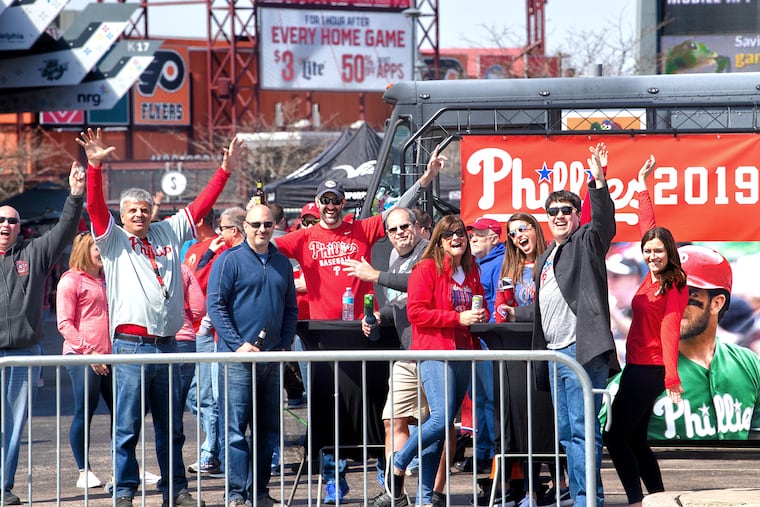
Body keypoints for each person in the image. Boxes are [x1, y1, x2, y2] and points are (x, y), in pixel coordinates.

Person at [79, 126, 243, 507]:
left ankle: (176, 489)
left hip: (169, 346)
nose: (139, 214)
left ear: (153, 211)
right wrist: (94, 169)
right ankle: (124, 491)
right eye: (132, 211)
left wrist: (225, 172)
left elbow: (200, 207)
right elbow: (94, 208)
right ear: (122, 216)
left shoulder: (167, 231)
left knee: (172, 428)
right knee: (127, 427)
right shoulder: (113, 239)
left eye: (144, 209)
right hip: (131, 348)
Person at [273, 146, 444, 503]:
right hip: (321, 336)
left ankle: (386, 473)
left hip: (362, 332)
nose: (332, 206)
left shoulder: (360, 229)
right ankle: (334, 477)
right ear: (317, 205)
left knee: (375, 407)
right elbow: (265, 244)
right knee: (326, 409)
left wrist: (425, 180)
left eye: (337, 201)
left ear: (343, 205)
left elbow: (396, 208)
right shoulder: (303, 237)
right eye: (326, 201)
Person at [511, 142, 618, 507]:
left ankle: (591, 500)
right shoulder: (544, 257)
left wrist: (599, 181)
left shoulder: (586, 240)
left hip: (582, 350)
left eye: (566, 210)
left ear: (576, 215)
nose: (559, 215)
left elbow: (603, 221)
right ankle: (581, 497)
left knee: (583, 430)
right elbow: (543, 308)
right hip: (555, 355)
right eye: (552, 211)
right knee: (567, 433)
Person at [603, 155, 688, 507]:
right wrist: (641, 185)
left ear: (670, 253)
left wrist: (671, 380)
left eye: (659, 251)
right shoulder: (649, 278)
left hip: (650, 370)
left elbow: (670, 333)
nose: (653, 255)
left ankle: (637, 500)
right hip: (636, 367)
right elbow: (647, 227)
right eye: (649, 251)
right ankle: (658, 498)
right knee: (636, 440)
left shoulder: (674, 286)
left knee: (615, 438)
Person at [385, 215, 488, 506]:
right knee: (441, 419)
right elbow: (416, 312)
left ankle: (425, 497)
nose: (456, 239)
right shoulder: (426, 268)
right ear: (439, 240)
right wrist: (457, 318)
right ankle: (400, 459)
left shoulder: (470, 271)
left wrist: (479, 317)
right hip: (434, 351)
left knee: (441, 428)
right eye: (449, 235)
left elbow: (478, 304)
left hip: (463, 352)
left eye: (461, 234)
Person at [0, 162, 84, 505]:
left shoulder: (33, 254)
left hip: (23, 354)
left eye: (11, 221)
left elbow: (65, 230)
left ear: (21, 228)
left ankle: (3, 487)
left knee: (14, 427)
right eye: (1, 220)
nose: (5, 225)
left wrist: (76, 195)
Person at [207, 204, 298, 507]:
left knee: (268, 430)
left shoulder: (282, 263)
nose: (262, 229)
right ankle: (236, 494)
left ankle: (259, 492)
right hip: (237, 360)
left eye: (268, 224)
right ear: (244, 226)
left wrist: (284, 346)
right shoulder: (228, 261)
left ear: (275, 226)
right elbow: (216, 306)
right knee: (235, 430)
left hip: (272, 359)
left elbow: (290, 310)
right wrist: (237, 345)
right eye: (256, 224)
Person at [343, 207, 435, 506]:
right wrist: (379, 317)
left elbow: (419, 285)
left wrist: (375, 275)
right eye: (393, 230)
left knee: (436, 424)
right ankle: (396, 493)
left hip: (435, 350)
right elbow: (403, 303)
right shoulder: (396, 257)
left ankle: (434, 493)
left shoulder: (430, 251)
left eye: (404, 226)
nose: (399, 233)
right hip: (407, 352)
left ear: (418, 227)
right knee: (392, 420)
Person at [56, 231, 112, 490]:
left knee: (124, 414)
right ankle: (84, 470)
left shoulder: (109, 279)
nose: (102, 252)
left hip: (112, 356)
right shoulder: (71, 281)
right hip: (82, 357)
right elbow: (64, 323)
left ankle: (125, 465)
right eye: (97, 248)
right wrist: (89, 352)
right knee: (85, 411)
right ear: (84, 251)